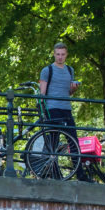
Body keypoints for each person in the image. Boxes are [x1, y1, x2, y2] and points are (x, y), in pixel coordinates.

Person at [39, 42, 86, 180]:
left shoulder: (70, 70)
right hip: (52, 108)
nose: (60, 57)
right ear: (54, 54)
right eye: (58, 54)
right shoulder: (47, 70)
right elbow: (42, 93)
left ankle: (80, 174)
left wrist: (74, 88)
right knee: (53, 141)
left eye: (63, 54)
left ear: (66, 55)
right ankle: (53, 173)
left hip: (66, 108)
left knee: (73, 141)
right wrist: (43, 109)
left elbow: (69, 93)